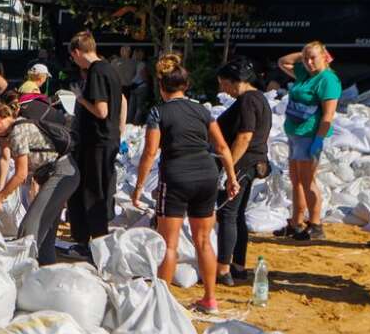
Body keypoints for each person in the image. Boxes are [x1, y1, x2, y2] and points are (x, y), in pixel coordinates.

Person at [129, 66, 242, 313]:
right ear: (186, 86)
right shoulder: (202, 111)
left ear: (161, 87)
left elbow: (150, 152)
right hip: (207, 175)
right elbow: (222, 147)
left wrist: (139, 186)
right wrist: (232, 178)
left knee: (169, 243)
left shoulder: (158, 112)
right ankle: (210, 299)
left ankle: (162, 302)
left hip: (176, 176)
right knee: (203, 240)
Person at [275, 42, 342, 241]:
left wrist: (319, 139)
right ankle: (296, 222)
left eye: (313, 58)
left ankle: (315, 224)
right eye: (306, 59)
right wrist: (303, 53)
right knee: (296, 180)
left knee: (307, 181)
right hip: (294, 133)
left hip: (309, 135)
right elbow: (282, 62)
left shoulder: (327, 80)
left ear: (325, 57)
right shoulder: (305, 74)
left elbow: (328, 113)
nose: (309, 62)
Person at [214, 59, 272, 285]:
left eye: (223, 84)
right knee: (237, 215)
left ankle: (223, 269)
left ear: (234, 82)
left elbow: (245, 136)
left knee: (227, 214)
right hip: (253, 163)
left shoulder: (248, 100)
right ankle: (238, 265)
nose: (222, 90)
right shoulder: (259, 98)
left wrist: (228, 168)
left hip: (242, 164)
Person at [67, 32, 126, 257]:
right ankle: (92, 240)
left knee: (92, 191)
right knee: (98, 189)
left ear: (77, 52)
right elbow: (121, 101)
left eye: (73, 57)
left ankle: (93, 243)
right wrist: (119, 130)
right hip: (106, 140)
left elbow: (101, 111)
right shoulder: (110, 69)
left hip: (97, 142)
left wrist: (80, 99)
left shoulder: (96, 72)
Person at [0, 99, 59, 224]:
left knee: (33, 224)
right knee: (41, 223)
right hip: (52, 172)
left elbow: (21, 174)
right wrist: (0, 192)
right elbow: (6, 159)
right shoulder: (13, 128)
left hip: (58, 171)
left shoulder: (16, 132)